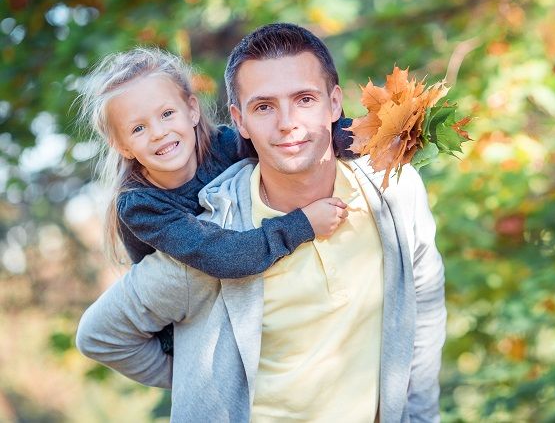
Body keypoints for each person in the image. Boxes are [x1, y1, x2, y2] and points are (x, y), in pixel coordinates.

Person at [76, 24, 446, 422]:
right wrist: (202, 374)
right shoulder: (174, 233)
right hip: (213, 260)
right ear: (241, 121)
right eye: (264, 107)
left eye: (304, 99)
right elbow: (101, 336)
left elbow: (423, 305)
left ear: (334, 103)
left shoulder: (392, 191)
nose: (287, 123)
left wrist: (387, 135)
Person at [77, 47, 352, 352]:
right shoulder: (140, 205)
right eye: (139, 128)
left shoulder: (223, 145)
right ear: (122, 146)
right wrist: (303, 224)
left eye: (167, 114)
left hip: (255, 285)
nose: (158, 133)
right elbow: (223, 254)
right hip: (199, 323)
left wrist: (360, 137)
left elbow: (287, 142)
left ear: (192, 110)